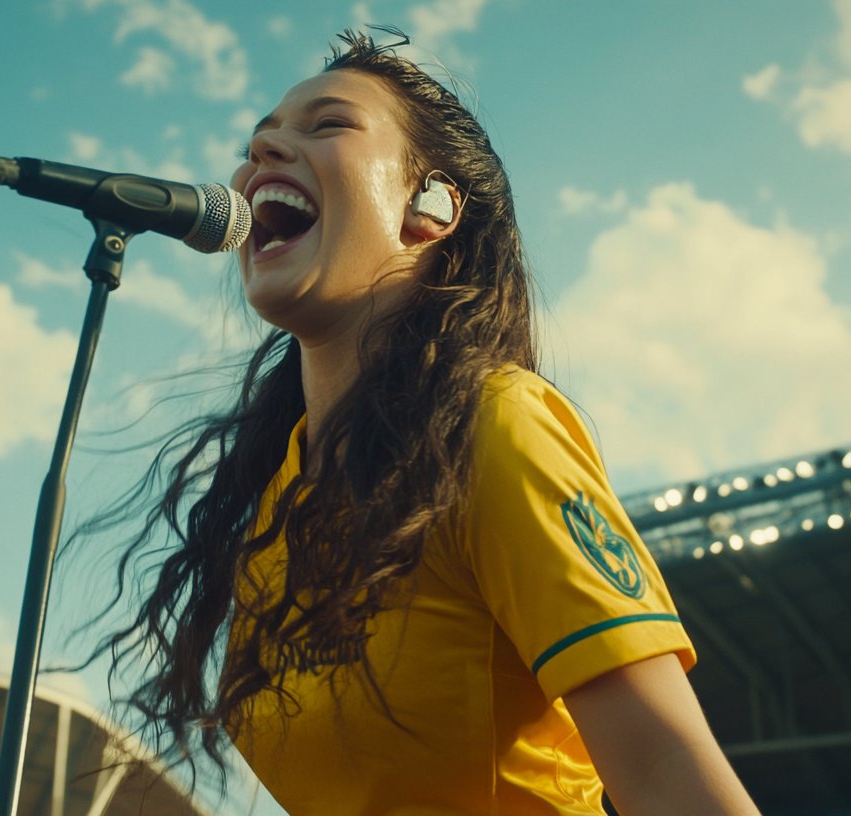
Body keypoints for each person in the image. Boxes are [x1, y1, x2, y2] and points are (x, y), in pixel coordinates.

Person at [101, 29, 761, 816]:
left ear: (434, 206)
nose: (264, 149)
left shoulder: (494, 424)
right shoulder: (274, 505)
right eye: (258, 139)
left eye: (328, 125)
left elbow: (661, 768)